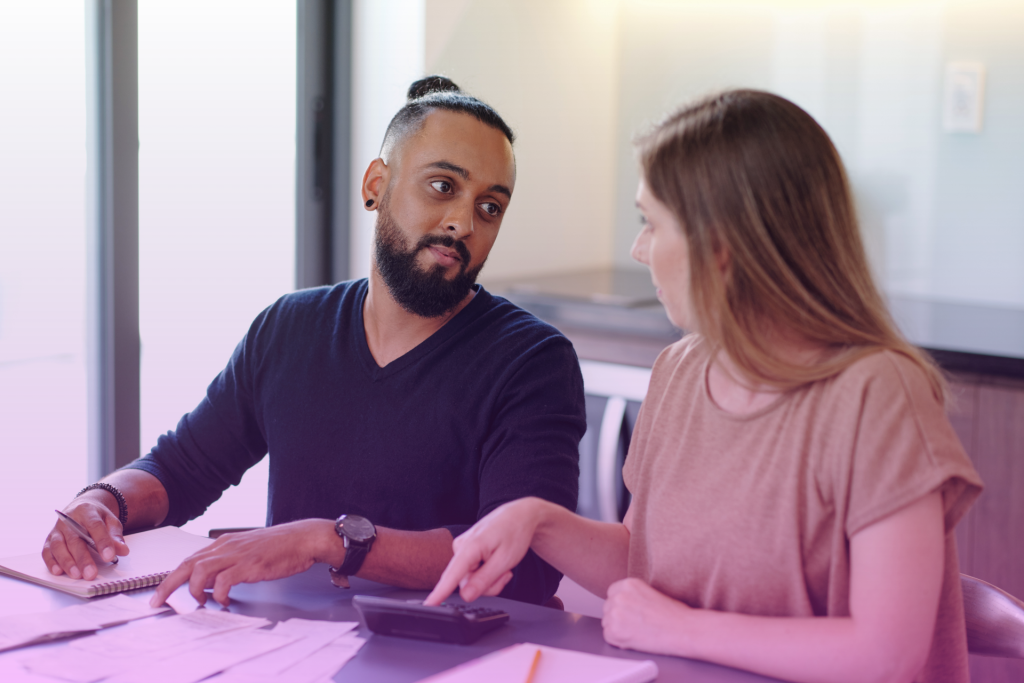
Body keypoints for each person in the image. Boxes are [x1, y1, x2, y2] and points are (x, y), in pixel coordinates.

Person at [427, 90, 983, 683]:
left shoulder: (877, 394)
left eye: (650, 223)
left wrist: (677, 628)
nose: (639, 250)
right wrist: (537, 519)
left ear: (723, 246)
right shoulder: (681, 372)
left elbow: (885, 655)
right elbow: (645, 567)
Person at [41, 76, 586, 608]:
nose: (463, 222)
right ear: (376, 185)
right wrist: (101, 500)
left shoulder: (532, 362)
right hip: (288, 652)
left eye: (490, 207)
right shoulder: (289, 327)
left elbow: (527, 567)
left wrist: (328, 540)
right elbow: (181, 469)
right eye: (443, 186)